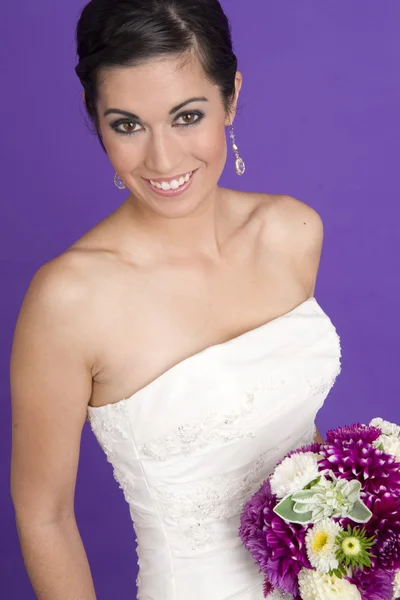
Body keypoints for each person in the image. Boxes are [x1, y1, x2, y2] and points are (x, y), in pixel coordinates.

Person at [10, 1, 342, 598]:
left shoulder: (291, 233)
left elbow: (295, 442)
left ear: (231, 97)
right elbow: (45, 517)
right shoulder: (68, 300)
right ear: (96, 117)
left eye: (187, 116)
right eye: (127, 124)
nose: (162, 160)